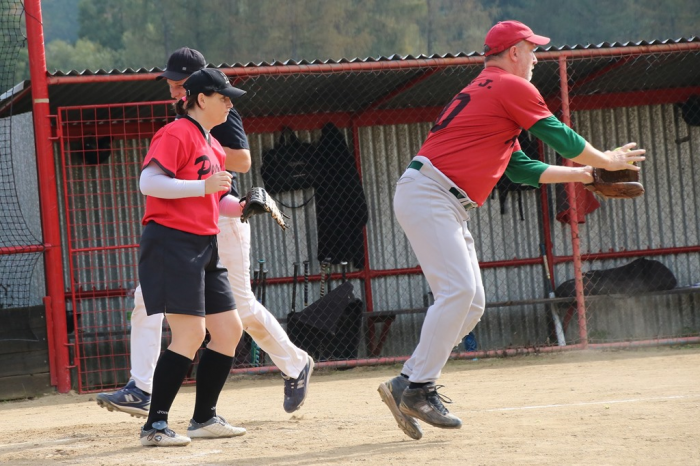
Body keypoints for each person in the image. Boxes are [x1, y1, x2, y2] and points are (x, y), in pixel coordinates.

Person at [377, 20, 646, 440]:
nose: (536, 58)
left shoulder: (491, 90)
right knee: (458, 292)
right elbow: (560, 136)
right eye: (532, 49)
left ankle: (406, 382)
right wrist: (605, 160)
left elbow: (520, 168)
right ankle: (419, 389)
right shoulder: (510, 85)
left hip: (440, 198)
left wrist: (585, 175)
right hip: (431, 194)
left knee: (471, 304)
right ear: (514, 52)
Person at [96, 48, 313, 421]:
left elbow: (242, 160)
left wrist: (211, 173)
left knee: (237, 310)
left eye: (179, 81)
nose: (173, 88)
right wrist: (194, 159)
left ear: (198, 87)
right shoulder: (185, 125)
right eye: (170, 81)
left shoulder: (216, 114)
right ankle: (142, 387)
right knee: (147, 299)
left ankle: (295, 363)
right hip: (190, 220)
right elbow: (159, 179)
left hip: (218, 219)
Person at [137, 68, 250, 446]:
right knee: (190, 334)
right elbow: (149, 182)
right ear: (201, 99)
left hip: (205, 243)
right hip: (172, 242)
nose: (230, 104)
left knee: (229, 330)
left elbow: (217, 200)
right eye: (224, 97)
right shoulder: (176, 132)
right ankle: (154, 426)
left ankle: (203, 419)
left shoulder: (213, 144)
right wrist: (202, 186)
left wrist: (244, 206)